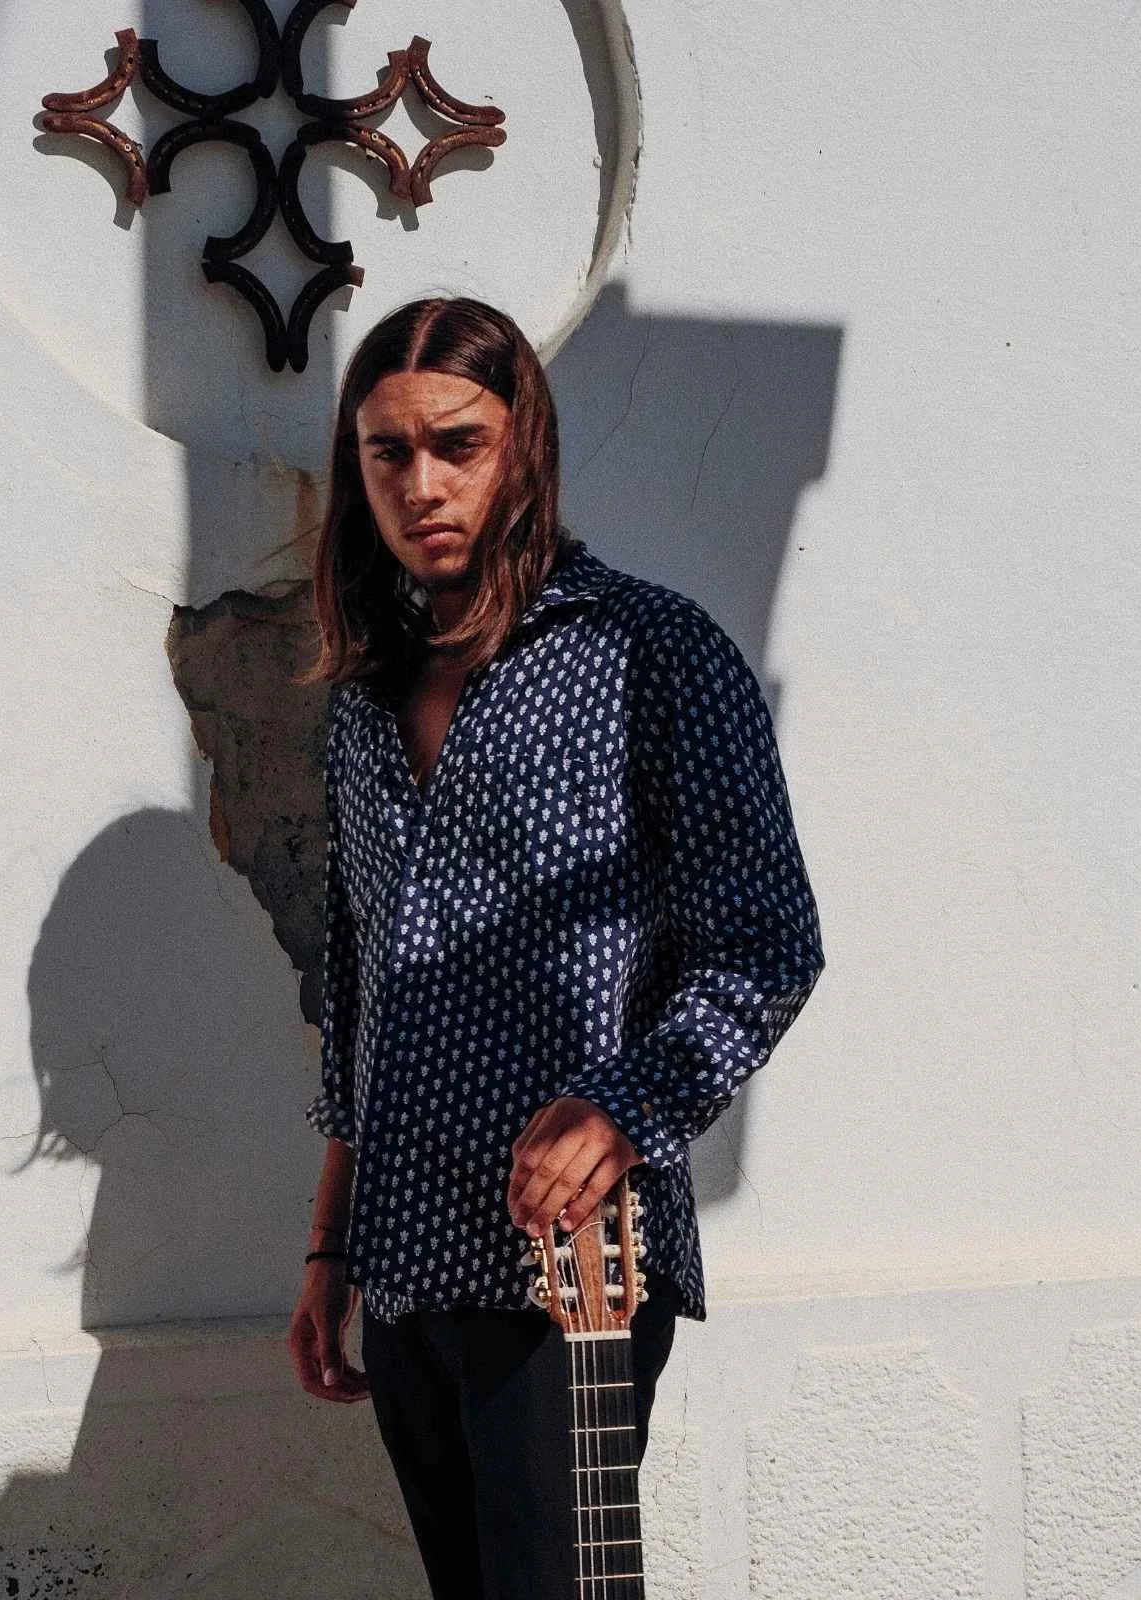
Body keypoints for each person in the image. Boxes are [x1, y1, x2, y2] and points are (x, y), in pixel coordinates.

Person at [286, 297, 824, 1599]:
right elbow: (360, 989)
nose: (421, 485)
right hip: (406, 1264)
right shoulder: (359, 703)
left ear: (525, 444)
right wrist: (327, 1249)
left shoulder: (654, 654)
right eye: (386, 453)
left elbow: (765, 943)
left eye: (456, 445)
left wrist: (624, 1110)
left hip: (567, 1269)